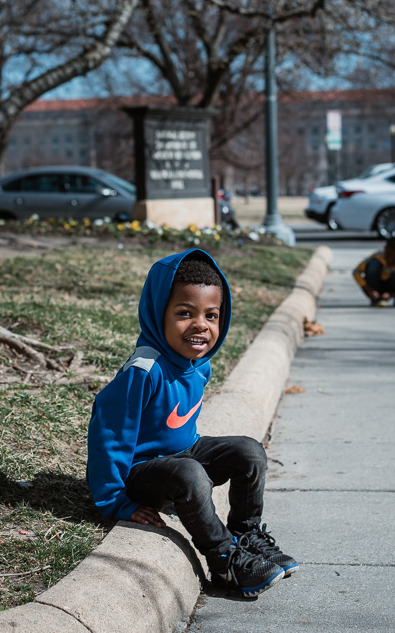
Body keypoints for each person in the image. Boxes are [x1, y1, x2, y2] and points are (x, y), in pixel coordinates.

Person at [86, 249, 297, 598]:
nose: (201, 325)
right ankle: (224, 559)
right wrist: (116, 502)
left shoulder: (199, 363)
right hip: (142, 471)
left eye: (211, 315)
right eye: (185, 313)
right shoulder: (143, 370)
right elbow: (106, 437)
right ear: (159, 313)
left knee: (249, 451)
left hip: (182, 452)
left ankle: (246, 535)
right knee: (189, 473)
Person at [353, 237, 395, 307]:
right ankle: (376, 299)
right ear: (386, 249)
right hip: (375, 287)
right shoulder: (377, 257)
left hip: (391, 289)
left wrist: (392, 294)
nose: (392, 260)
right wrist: (369, 290)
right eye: (389, 255)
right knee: (373, 265)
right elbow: (356, 272)